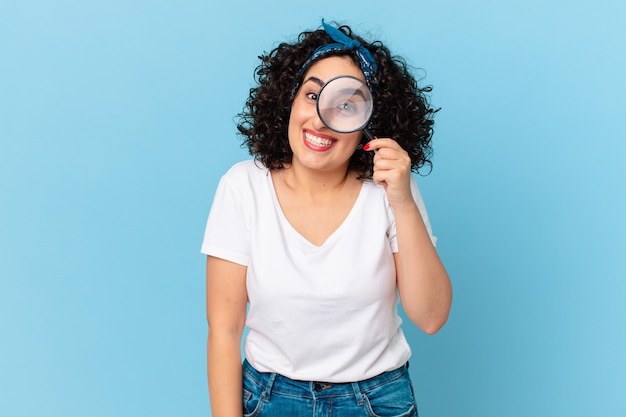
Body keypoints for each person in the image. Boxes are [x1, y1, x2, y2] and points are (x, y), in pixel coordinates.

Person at [201, 19, 452, 417]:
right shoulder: (242, 186)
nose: (321, 118)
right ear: (288, 100)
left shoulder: (390, 191)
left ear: (369, 124)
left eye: (346, 104)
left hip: (376, 400)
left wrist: (402, 201)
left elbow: (431, 316)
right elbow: (224, 329)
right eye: (312, 94)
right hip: (267, 398)